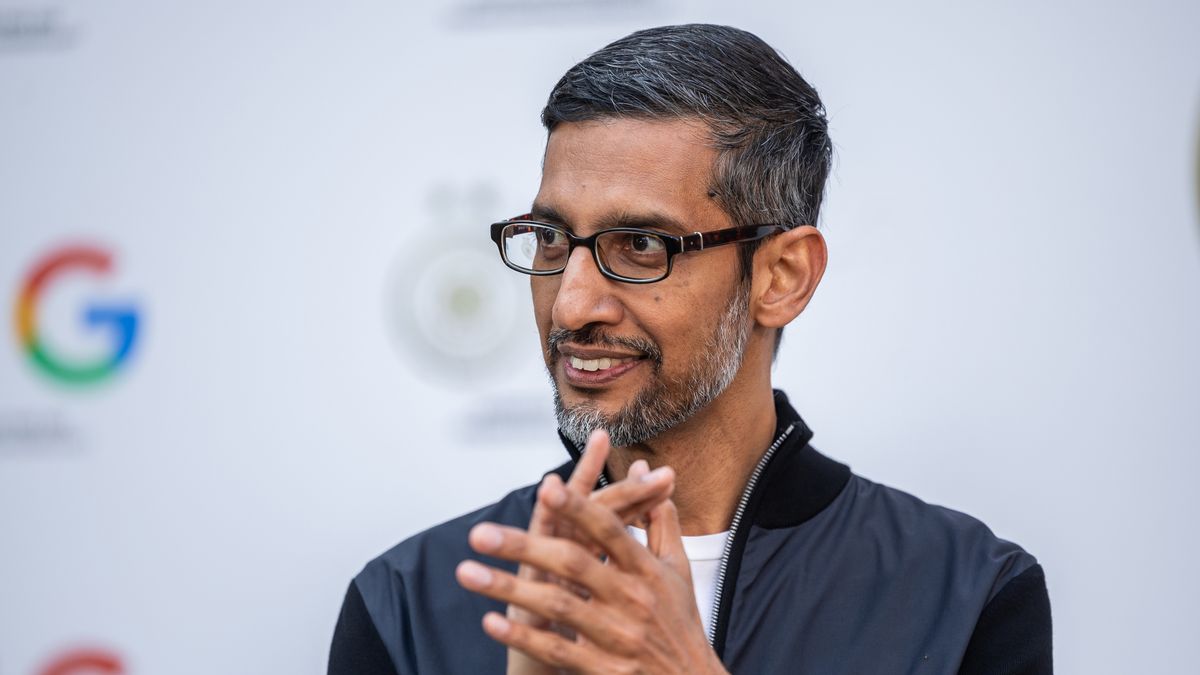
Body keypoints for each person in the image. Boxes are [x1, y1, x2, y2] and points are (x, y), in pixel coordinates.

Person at [328, 23, 1052, 675]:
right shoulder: (408, 604)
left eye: (640, 245)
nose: (573, 303)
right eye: (552, 238)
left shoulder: (965, 595)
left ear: (782, 276)